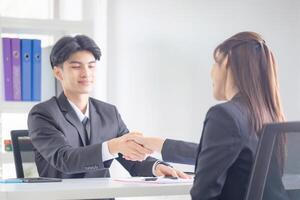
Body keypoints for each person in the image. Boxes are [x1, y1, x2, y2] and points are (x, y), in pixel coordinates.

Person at [133, 32, 289, 200]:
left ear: (228, 62)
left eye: (215, 63)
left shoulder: (224, 115)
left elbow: (202, 194)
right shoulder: (270, 116)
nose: (211, 72)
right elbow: (223, 152)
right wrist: (161, 145)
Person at [27, 35, 189, 181]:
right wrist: (113, 146)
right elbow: (65, 159)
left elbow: (131, 158)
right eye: (76, 67)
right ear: (58, 73)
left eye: (91, 66)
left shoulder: (108, 112)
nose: (86, 73)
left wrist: (157, 167)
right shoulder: (42, 114)